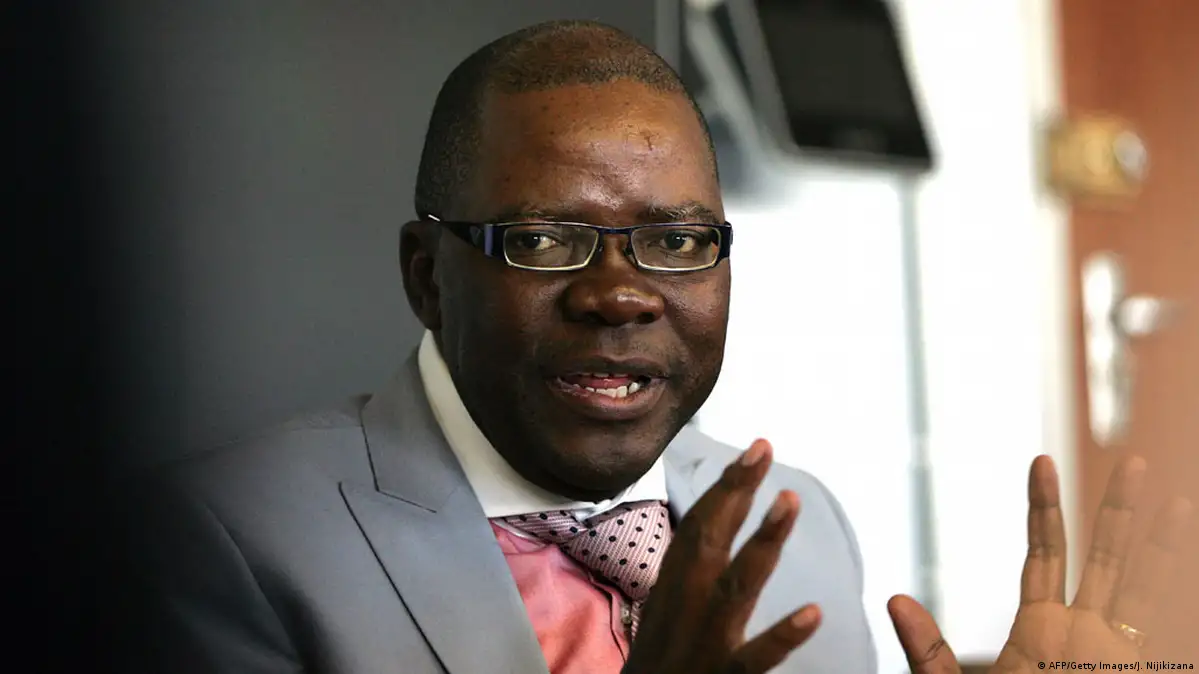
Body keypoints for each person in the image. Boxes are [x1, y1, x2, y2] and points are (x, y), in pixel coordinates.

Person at [124, 19, 1192, 674]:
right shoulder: (224, 542)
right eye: (544, 240)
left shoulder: (796, 521)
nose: (620, 294)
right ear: (426, 276)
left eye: (676, 242)